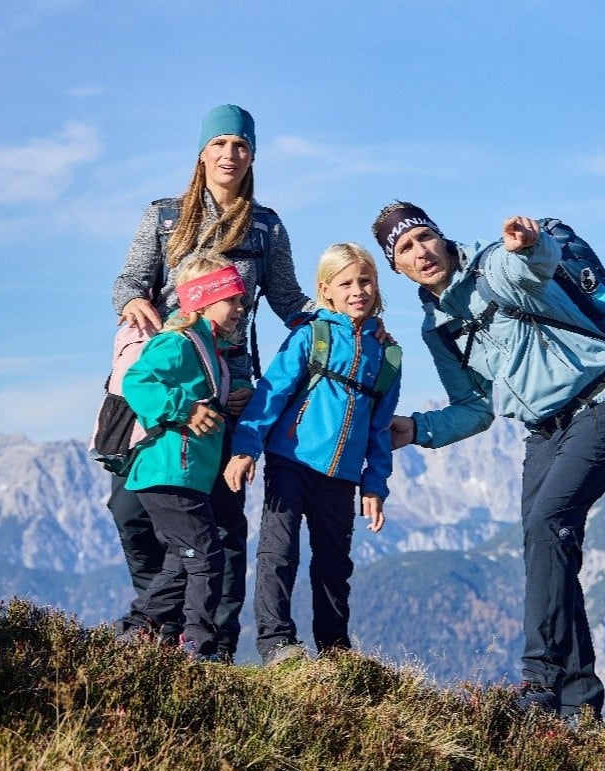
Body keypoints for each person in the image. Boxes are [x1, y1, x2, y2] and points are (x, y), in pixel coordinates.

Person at [371, 202, 605, 721]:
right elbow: (476, 407)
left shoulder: (494, 265)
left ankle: (540, 684)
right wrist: (418, 429)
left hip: (604, 402)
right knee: (546, 549)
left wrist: (530, 244)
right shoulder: (438, 328)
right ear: (397, 267)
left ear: (443, 237)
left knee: (548, 524)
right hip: (543, 432)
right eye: (405, 248)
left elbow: (532, 266)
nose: (421, 251)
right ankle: (582, 707)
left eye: (425, 237)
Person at [110, 103, 313, 659]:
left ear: (253, 156)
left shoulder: (266, 226)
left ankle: (213, 646)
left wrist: (335, 323)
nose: (230, 155)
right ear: (202, 152)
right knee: (131, 507)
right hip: (163, 371)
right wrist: (132, 300)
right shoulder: (164, 216)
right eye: (220, 144)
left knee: (222, 518)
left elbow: (289, 300)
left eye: (241, 146)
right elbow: (130, 280)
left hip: (231, 387)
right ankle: (154, 620)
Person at [224, 243, 401, 667]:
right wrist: (246, 448)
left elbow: (380, 427)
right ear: (326, 290)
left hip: (341, 476)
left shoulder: (388, 354)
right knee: (278, 554)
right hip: (291, 461)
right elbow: (271, 393)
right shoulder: (311, 335)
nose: (358, 290)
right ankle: (276, 642)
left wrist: (374, 484)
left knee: (335, 565)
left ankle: (336, 652)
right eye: (346, 283)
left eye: (365, 280)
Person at [119, 254, 246, 660]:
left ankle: (135, 630)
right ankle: (195, 644)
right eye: (233, 300)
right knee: (206, 555)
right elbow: (135, 381)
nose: (241, 309)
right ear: (203, 302)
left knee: (181, 560)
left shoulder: (215, 354)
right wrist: (185, 409)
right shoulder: (176, 343)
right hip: (168, 471)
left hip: (188, 476)